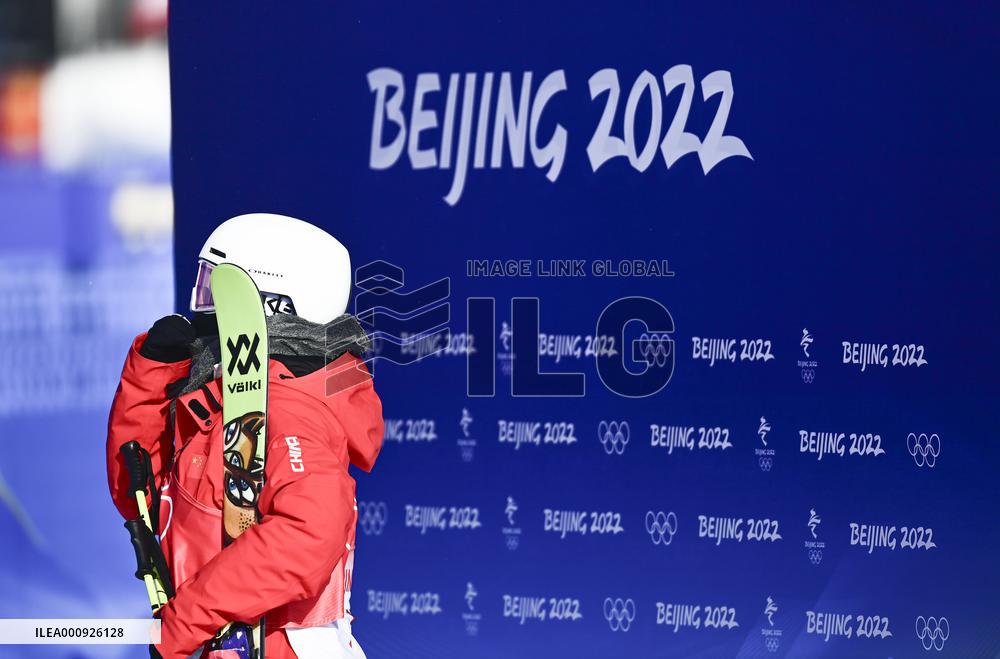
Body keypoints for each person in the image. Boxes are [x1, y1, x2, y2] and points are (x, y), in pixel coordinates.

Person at [106, 213, 383, 659]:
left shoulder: (293, 411)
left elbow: (307, 533)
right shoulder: (222, 402)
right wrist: (151, 378)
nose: (201, 308)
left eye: (214, 289)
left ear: (270, 303)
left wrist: (185, 621)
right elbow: (143, 501)